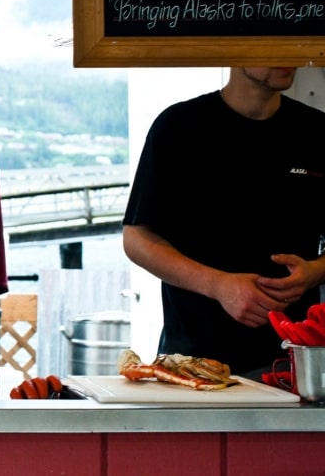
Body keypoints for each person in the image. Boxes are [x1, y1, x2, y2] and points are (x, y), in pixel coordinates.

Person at [122, 67, 325, 377]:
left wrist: (313, 273)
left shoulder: (317, 131)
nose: (288, 54)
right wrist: (217, 285)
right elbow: (137, 238)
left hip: (298, 368)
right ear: (234, 41)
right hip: (194, 364)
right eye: (269, 39)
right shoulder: (179, 127)